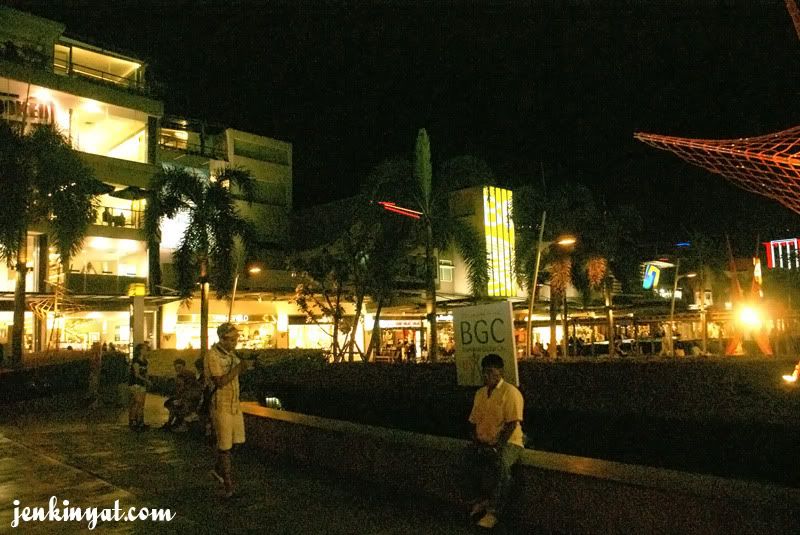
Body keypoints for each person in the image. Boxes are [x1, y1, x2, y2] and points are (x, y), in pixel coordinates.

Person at [465, 353, 525, 530]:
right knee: (466, 460)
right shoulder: (480, 393)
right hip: (484, 441)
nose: (486, 376)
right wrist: (476, 441)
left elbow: (512, 423)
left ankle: (494, 511)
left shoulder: (510, 393)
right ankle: (479, 500)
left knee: (502, 466)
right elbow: (473, 420)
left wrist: (498, 446)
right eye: (484, 372)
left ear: (500, 372)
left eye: (490, 372)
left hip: (509, 442)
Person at [205, 322, 251, 498]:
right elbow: (220, 381)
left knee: (238, 442)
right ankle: (228, 484)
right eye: (232, 339)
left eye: (236, 339)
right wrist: (238, 368)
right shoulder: (213, 356)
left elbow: (238, 372)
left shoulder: (232, 354)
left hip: (234, 404)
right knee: (225, 446)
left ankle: (218, 470)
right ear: (222, 339)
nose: (235, 342)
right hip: (221, 405)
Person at [162, 358, 202, 431]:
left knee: (175, 405)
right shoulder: (180, 376)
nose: (177, 369)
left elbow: (189, 390)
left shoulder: (188, 376)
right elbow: (180, 390)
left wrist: (181, 400)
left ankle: (176, 423)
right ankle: (170, 423)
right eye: (176, 368)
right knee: (170, 403)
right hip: (185, 398)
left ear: (184, 366)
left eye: (179, 367)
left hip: (190, 399)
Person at [128, 342, 151, 431]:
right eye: (144, 349)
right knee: (137, 402)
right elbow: (136, 374)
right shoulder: (136, 361)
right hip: (135, 383)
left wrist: (147, 380)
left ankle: (140, 422)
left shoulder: (145, 361)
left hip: (142, 384)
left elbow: (146, 372)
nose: (146, 351)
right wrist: (146, 380)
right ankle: (133, 421)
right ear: (140, 351)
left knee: (141, 404)